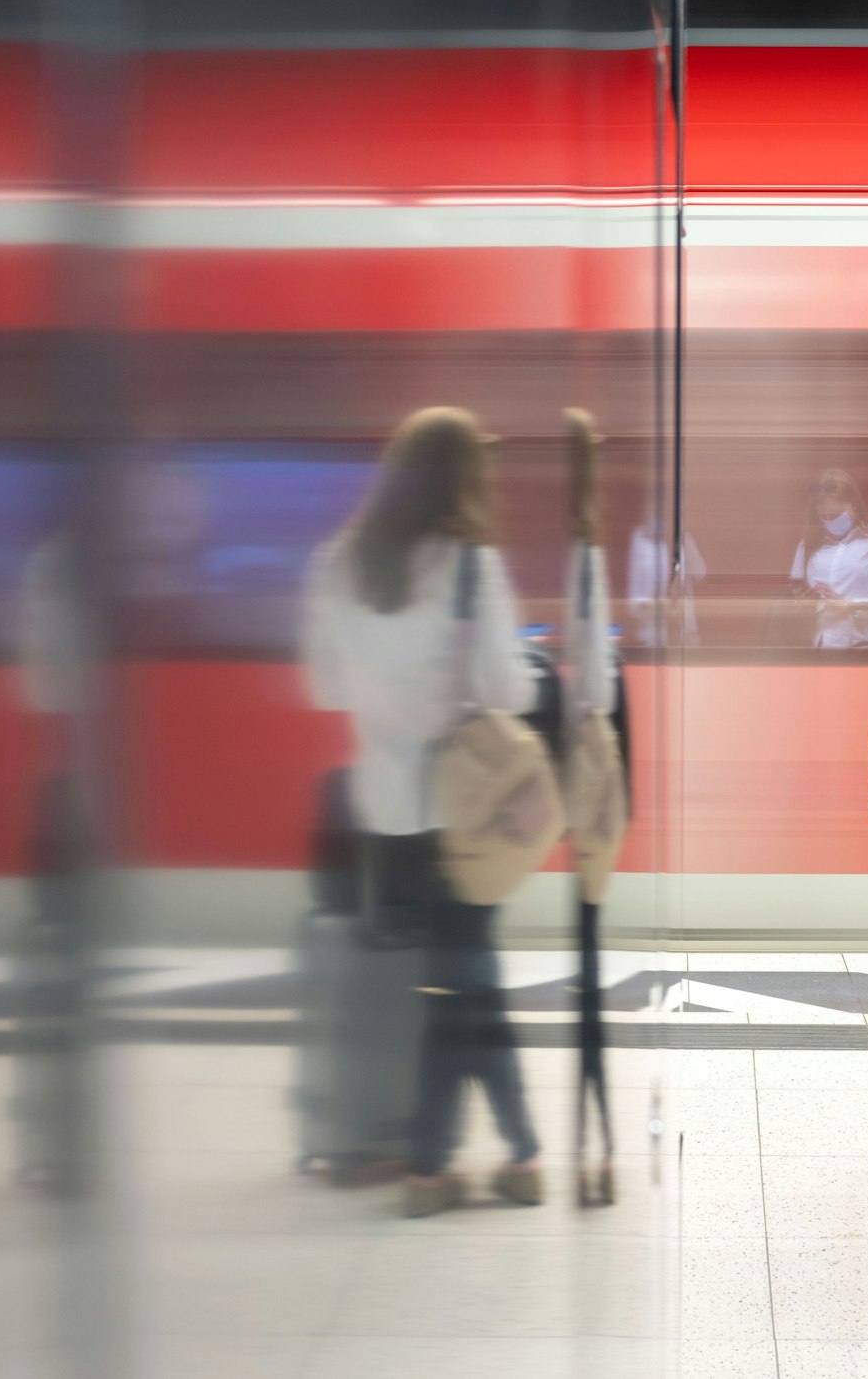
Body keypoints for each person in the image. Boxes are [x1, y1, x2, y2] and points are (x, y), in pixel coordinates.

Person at [301, 407, 543, 1218]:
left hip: (385, 810)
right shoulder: (470, 566)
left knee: (453, 978)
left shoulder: (338, 563)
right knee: (463, 978)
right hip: (463, 811)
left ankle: (511, 1152)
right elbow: (508, 687)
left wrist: (385, 695)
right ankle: (440, 1167)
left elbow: (323, 686)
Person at [562, 409, 619, 1205]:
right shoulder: (580, 551)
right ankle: (589, 1148)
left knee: (464, 973)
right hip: (560, 783)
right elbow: (597, 684)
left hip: (487, 785)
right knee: (584, 967)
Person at [788, 468, 868, 648]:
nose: (829, 521)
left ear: (854, 505)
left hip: (859, 650)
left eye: (835, 514)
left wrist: (848, 606)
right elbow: (794, 594)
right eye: (823, 516)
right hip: (815, 650)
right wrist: (801, 602)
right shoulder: (807, 545)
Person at [626, 512, 706, 647]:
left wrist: (688, 547)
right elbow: (635, 587)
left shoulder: (684, 542)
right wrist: (638, 613)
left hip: (682, 626)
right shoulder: (642, 540)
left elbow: (700, 573)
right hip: (653, 625)